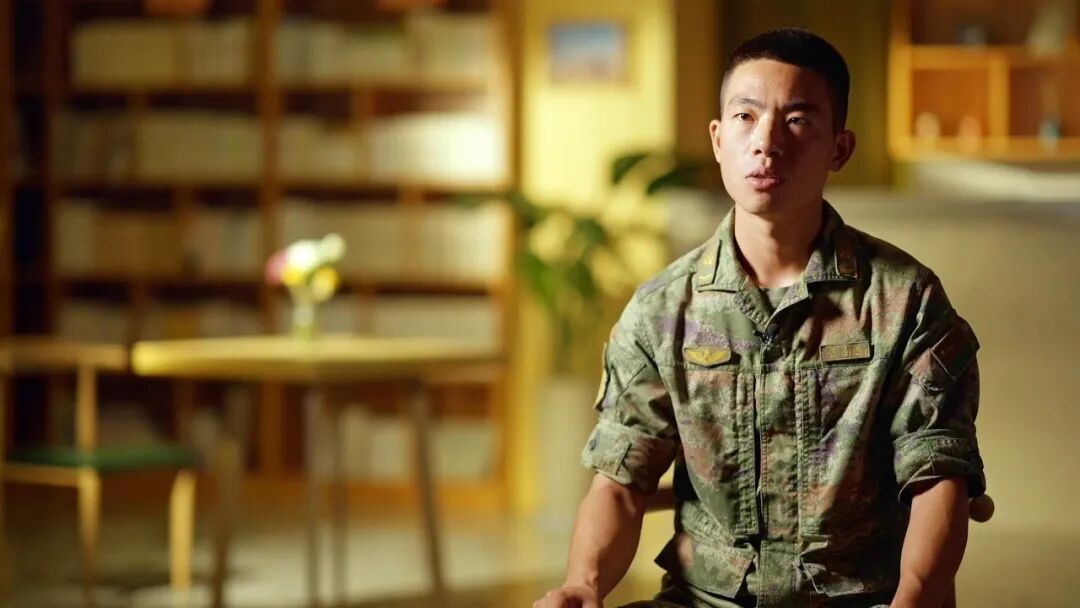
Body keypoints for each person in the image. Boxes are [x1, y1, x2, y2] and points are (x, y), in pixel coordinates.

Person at [533, 28, 986, 608]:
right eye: (745, 117)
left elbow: (938, 475)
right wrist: (583, 584)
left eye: (797, 120)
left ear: (839, 148)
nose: (766, 142)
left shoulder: (904, 300)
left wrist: (915, 597)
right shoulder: (662, 310)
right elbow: (620, 482)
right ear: (718, 139)